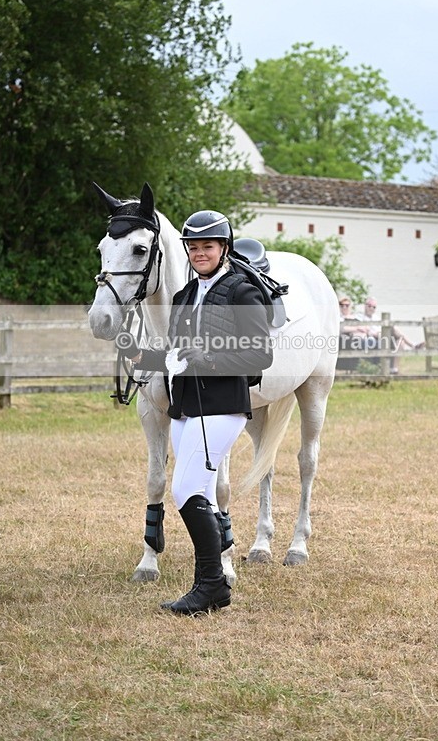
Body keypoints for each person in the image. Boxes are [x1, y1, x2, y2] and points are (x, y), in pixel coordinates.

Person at [120, 210, 273, 615]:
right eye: (193, 246)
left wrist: (208, 355)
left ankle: (211, 585)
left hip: (222, 407)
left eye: (207, 246)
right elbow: (175, 355)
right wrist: (141, 354)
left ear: (224, 248)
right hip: (186, 407)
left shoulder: (242, 291)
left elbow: (260, 355)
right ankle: (210, 582)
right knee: (199, 491)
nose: (199, 253)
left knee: (184, 490)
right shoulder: (185, 296)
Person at [353, 297, 417, 373]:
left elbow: (381, 329)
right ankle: (413, 345)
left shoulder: (376, 318)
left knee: (400, 340)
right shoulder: (359, 317)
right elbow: (362, 329)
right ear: (365, 306)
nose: (371, 308)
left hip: (383, 336)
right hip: (374, 338)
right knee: (393, 329)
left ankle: (394, 369)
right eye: (369, 306)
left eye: (374, 307)